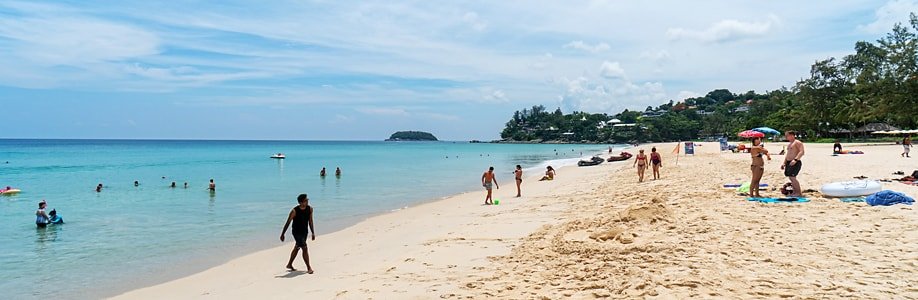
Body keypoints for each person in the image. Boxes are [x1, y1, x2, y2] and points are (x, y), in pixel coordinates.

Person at [280, 194, 316, 273]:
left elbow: (310, 221)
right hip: (296, 232)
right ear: (301, 202)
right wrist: (283, 234)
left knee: (297, 247)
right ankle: (309, 267)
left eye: (307, 200)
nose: (307, 202)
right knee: (304, 247)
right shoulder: (294, 211)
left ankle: (289, 264)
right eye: (305, 200)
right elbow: (288, 222)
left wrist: (313, 232)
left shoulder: (310, 209)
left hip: (304, 232)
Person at [781, 130, 805, 197]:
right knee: (790, 177)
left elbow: (802, 152)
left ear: (792, 135)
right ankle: (795, 192)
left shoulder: (797, 142)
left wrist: (795, 160)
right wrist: (784, 163)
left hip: (795, 162)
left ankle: (798, 193)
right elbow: (787, 155)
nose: (786, 137)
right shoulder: (789, 144)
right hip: (789, 162)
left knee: (793, 177)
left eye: (787, 135)